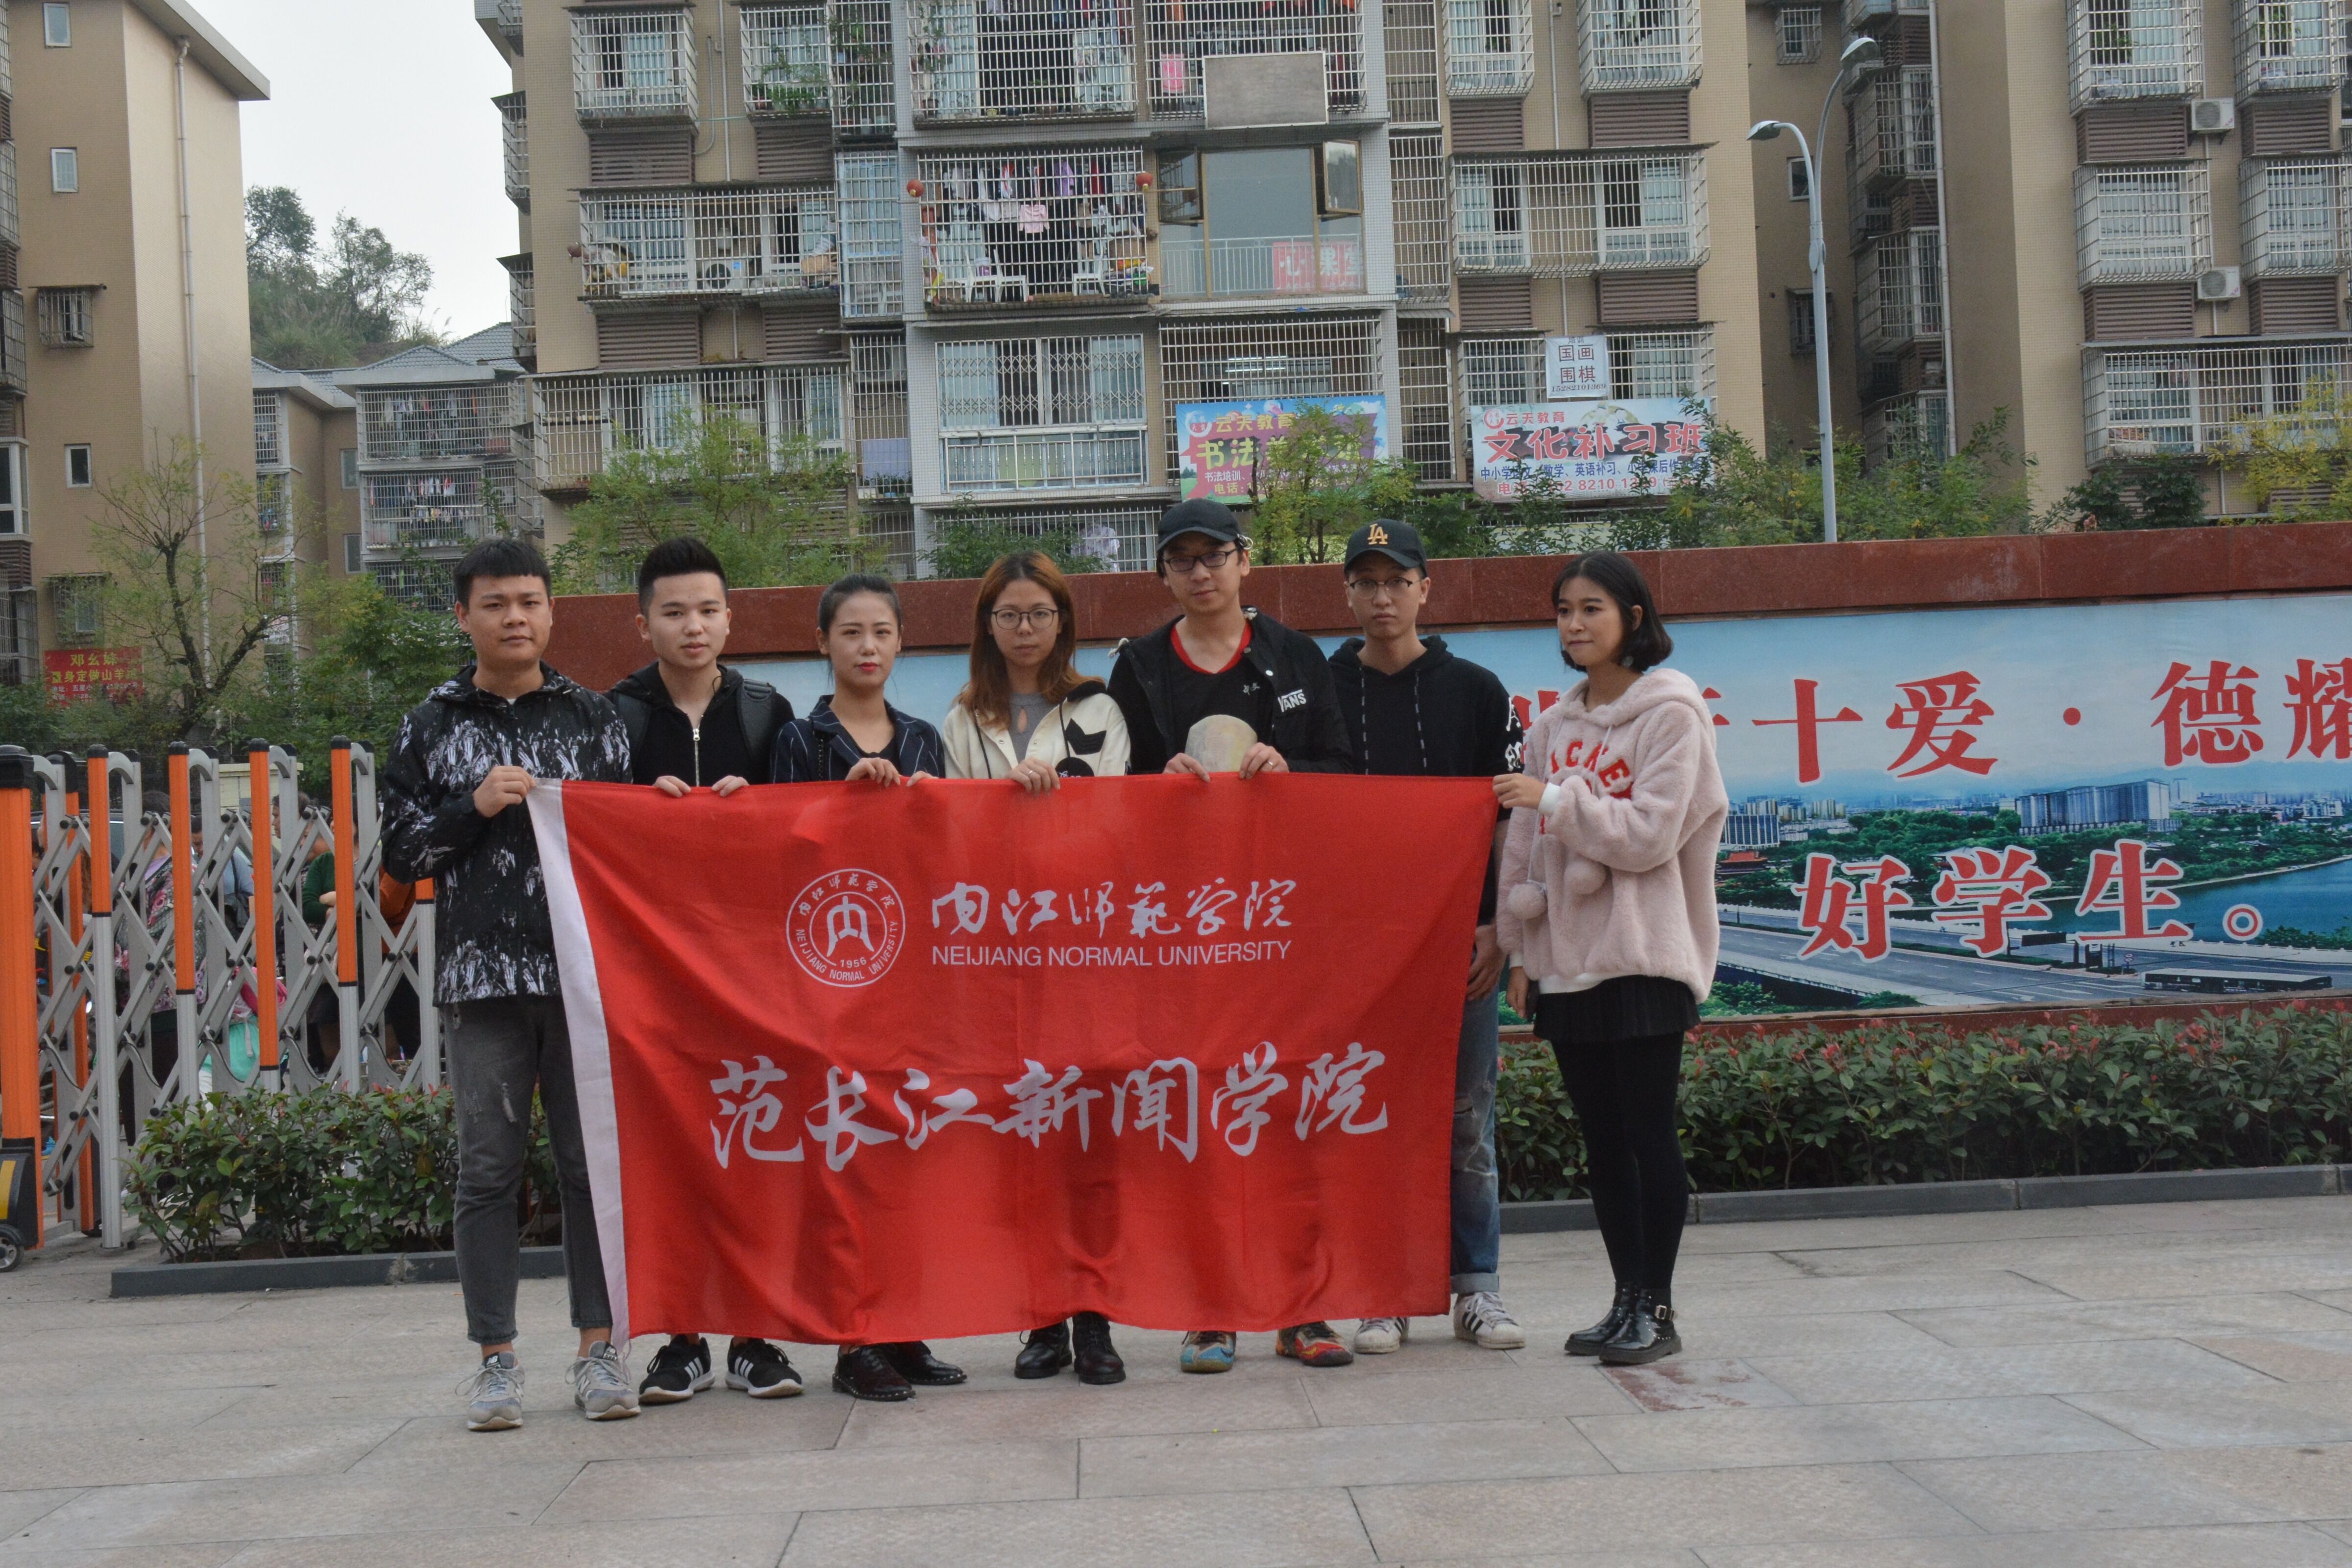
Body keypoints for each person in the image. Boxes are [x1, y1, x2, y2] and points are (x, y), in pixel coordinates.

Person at [379, 538, 638, 1431]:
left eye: (529, 601)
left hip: (583, 980)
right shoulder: (429, 724)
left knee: (587, 1166)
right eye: (494, 604)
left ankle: (600, 1351)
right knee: (487, 1170)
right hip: (482, 982)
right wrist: (474, 806)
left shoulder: (596, 719)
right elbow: (402, 856)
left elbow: (629, 845)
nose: (514, 618)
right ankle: (495, 1362)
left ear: (551, 611)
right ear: (464, 616)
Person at [1105, 496, 1357, 1375]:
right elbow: (1111, 793)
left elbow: (1343, 772)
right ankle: (1209, 1311)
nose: (1201, 572)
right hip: (1185, 931)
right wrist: (1156, 782)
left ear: (1245, 562)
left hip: (1283, 924)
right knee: (1201, 1112)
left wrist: (1292, 769)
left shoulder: (1296, 656)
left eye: (1215, 556)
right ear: (1164, 575)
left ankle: (1302, 1308)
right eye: (1183, 560)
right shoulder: (1138, 667)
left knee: (1289, 1111)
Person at [1493, 552, 1727, 1367]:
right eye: (1563, 610)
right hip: (1568, 963)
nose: (1574, 624)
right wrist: (1520, 950)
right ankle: (1625, 1298)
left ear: (1632, 616)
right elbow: (1523, 852)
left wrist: (1557, 798)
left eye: (1591, 608)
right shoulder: (1551, 729)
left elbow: (1652, 836)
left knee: (1647, 1135)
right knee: (1601, 1143)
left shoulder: (1672, 714)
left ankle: (1658, 1307)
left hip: (1643, 956)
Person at [610, 537, 805, 1404]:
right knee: (673, 1152)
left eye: (708, 610)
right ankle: (681, 1339)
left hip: (754, 970)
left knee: (758, 1146)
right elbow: (589, 828)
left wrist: (754, 812)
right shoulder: (614, 718)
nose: (693, 626)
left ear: (731, 618)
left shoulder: (768, 711)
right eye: (674, 612)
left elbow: (804, 831)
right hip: (652, 974)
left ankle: (758, 1337)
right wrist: (635, 812)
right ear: (643, 624)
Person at [1327, 521, 1527, 1356]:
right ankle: (1385, 1291)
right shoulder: (1321, 688)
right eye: (1367, 583)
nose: (1383, 597)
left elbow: (1509, 819)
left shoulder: (1478, 692)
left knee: (1466, 1117)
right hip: (1358, 952)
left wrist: (1500, 928)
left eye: (1397, 581)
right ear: (1347, 594)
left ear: (1424, 590)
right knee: (1373, 1117)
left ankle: (1477, 1287)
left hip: (1461, 944)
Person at [773, 573, 964, 1401]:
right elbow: (779, 848)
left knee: (907, 1154)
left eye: (882, 632)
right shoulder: (799, 738)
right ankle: (855, 1342)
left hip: (912, 976)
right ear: (823, 643)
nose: (867, 647)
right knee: (845, 1160)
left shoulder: (923, 739)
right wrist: (841, 808)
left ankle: (904, 1328)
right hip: (831, 980)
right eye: (850, 632)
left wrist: (930, 808)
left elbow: (949, 855)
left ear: (901, 643)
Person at [942, 550, 1130, 1385]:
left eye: (1040, 614)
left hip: (1083, 948)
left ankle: (1096, 1319)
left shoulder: (1098, 708)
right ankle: (1042, 1320)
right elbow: (953, 835)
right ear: (988, 625)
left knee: (1087, 1138)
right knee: (1024, 1136)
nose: (1026, 629)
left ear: (1063, 622)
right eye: (1010, 615)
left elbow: (1114, 823)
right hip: (1000, 955)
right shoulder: (961, 720)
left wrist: (1045, 815)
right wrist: (1002, 809)